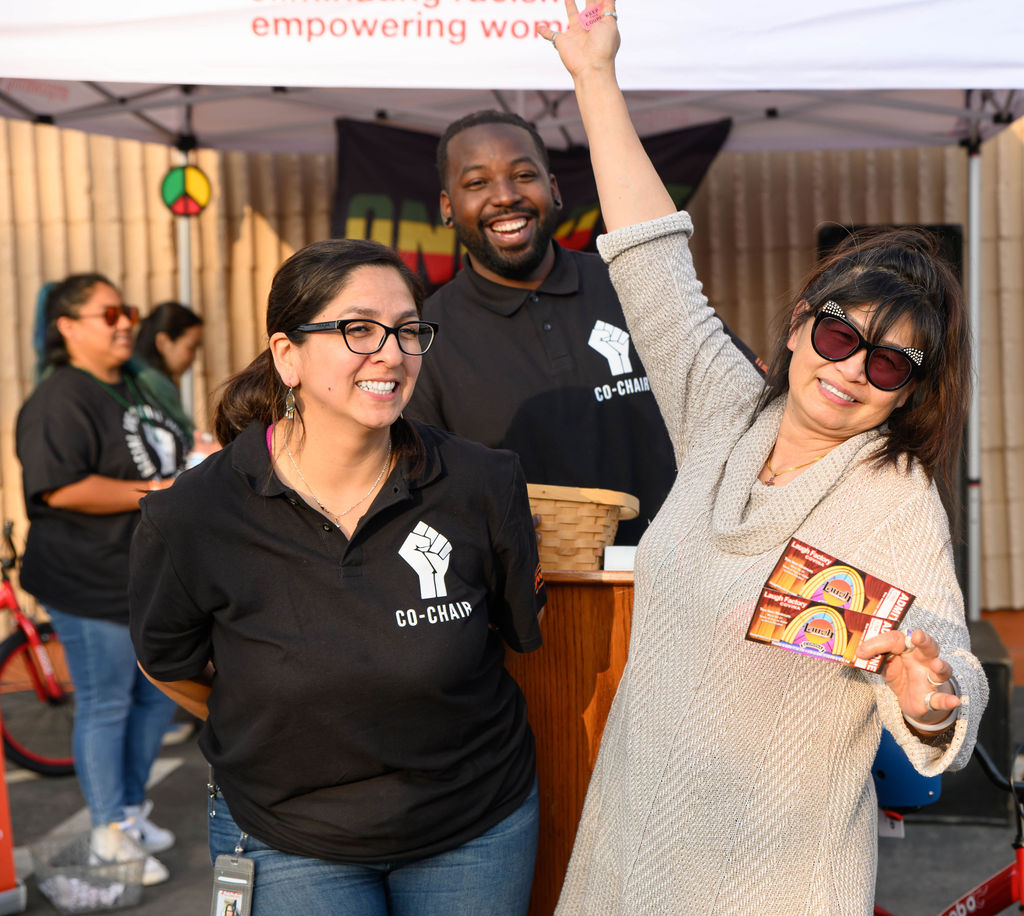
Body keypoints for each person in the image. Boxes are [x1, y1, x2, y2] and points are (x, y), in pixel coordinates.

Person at [540, 6, 989, 914]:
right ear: (797, 329)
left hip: (771, 880)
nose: (852, 369)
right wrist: (594, 78)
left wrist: (931, 696)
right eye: (840, 335)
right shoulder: (723, 414)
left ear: (908, 392)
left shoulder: (891, 496)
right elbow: (653, 266)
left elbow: (947, 654)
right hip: (633, 844)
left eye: (889, 363)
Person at [128, 239, 546, 915]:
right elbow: (166, 662)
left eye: (407, 330)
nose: (391, 353)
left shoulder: (481, 483)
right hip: (285, 834)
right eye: (358, 329)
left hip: (475, 826)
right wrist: (270, 721)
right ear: (286, 355)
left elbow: (514, 633)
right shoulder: (194, 514)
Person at [406, 111, 683, 544]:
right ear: (447, 207)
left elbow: (732, 399)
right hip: (532, 584)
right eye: (477, 183)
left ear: (553, 189)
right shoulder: (425, 339)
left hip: (682, 568)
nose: (504, 197)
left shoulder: (631, 282)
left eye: (523, 175)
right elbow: (425, 491)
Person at [16, 273, 191, 886]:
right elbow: (61, 487)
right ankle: (107, 832)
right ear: (66, 326)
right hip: (89, 579)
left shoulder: (139, 383)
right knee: (108, 701)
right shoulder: (58, 398)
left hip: (150, 575)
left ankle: (130, 812)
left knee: (157, 697)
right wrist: (160, 490)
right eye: (108, 314)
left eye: (128, 312)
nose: (125, 324)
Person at [132, 300, 204, 437]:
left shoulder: (145, 377)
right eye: (191, 347)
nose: (194, 357)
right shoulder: (150, 382)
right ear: (163, 342)